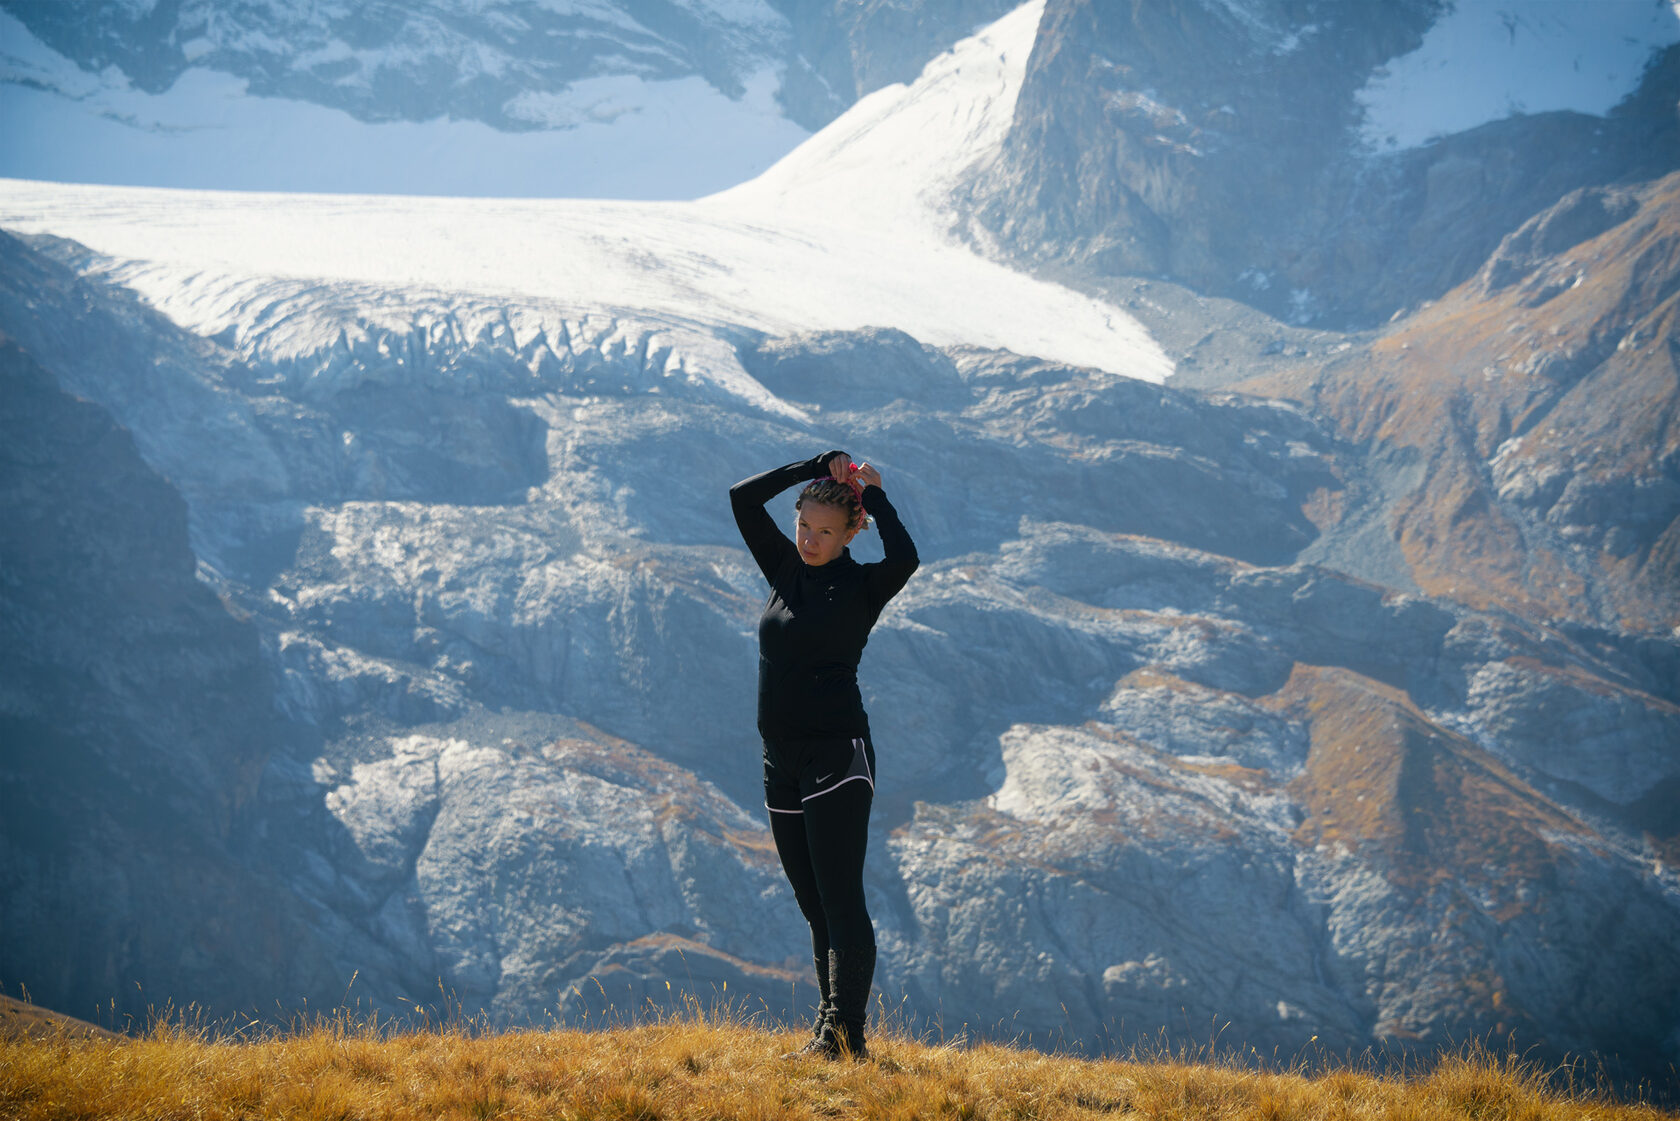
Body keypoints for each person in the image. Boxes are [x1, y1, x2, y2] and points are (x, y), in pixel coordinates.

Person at [729, 448, 919, 1060]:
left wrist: (875, 494)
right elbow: (741, 498)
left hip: (837, 756)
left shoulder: (864, 585)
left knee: (840, 899)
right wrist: (814, 465)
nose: (809, 540)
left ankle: (848, 1037)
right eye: (803, 526)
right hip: (778, 758)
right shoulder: (784, 567)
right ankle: (827, 1033)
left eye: (824, 532)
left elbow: (907, 557)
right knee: (813, 904)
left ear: (849, 533)